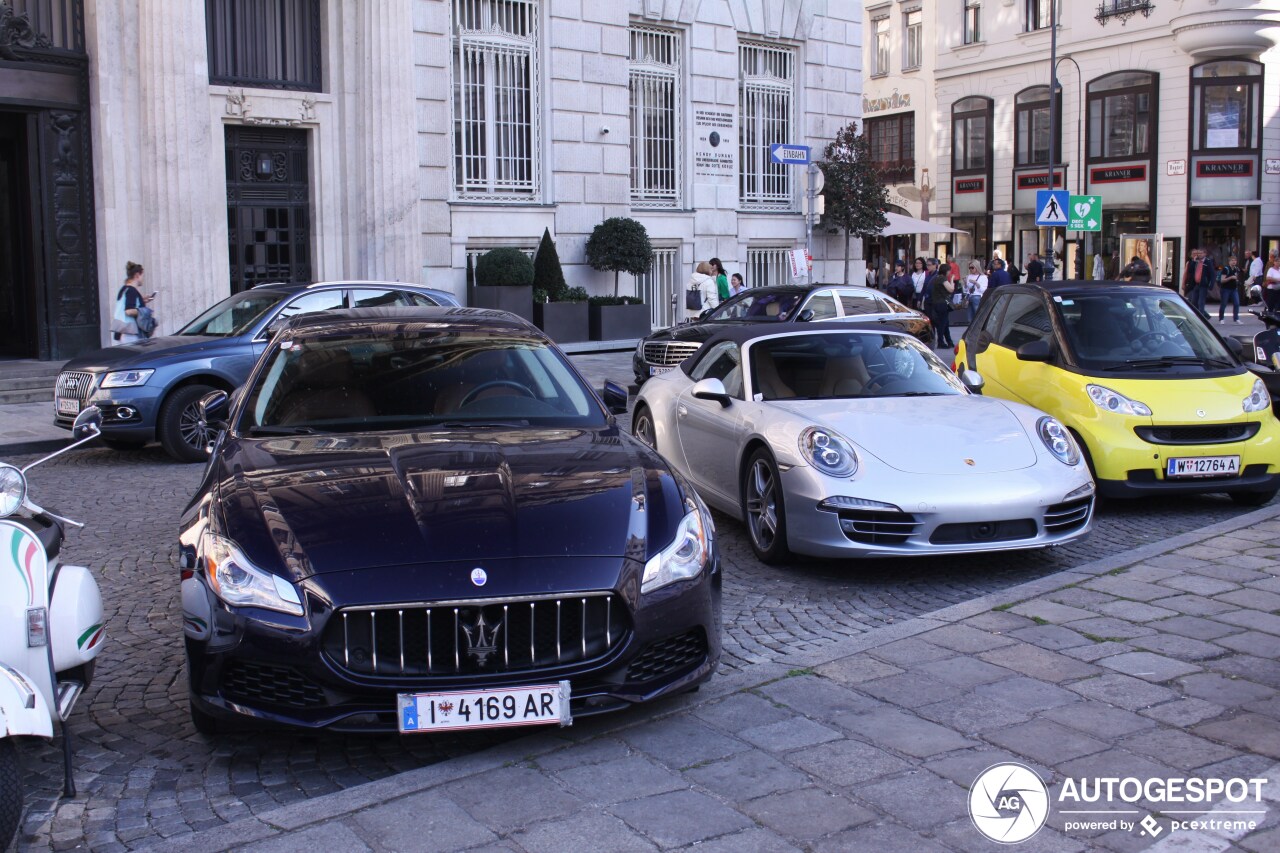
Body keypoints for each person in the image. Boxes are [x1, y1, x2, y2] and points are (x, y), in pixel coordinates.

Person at [111, 260, 155, 344]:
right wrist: (144, 311)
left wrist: (142, 300)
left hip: (122, 331)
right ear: (137, 275)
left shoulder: (124, 289)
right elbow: (128, 311)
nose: (143, 279)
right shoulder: (132, 291)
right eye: (142, 276)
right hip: (130, 333)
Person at [927, 258, 955, 349]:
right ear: (946, 271)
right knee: (942, 324)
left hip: (937, 303)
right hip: (942, 304)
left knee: (945, 323)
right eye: (949, 271)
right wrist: (952, 280)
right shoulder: (942, 278)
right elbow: (951, 289)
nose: (950, 273)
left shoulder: (936, 278)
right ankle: (940, 342)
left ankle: (949, 341)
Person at [1181, 247, 1214, 314]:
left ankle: (1201, 317)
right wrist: (1193, 261)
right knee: (1193, 301)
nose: (1199, 255)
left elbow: (1212, 274)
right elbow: (1190, 271)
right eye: (1198, 253)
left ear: (1205, 254)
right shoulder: (1196, 261)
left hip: (1203, 284)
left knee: (1201, 302)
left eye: (1201, 253)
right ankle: (1197, 315)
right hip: (1196, 284)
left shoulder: (1208, 262)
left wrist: (1211, 284)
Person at [1218, 255, 1242, 324]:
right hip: (1225, 289)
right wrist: (1230, 278)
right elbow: (1222, 280)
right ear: (1229, 262)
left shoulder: (1236, 269)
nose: (1234, 262)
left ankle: (1236, 318)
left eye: (1235, 260)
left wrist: (1237, 281)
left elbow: (1236, 277)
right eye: (1232, 260)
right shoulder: (1226, 269)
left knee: (1237, 303)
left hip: (1234, 289)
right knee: (1224, 303)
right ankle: (1221, 318)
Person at [964, 261, 988, 325]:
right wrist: (965, 283)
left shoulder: (983, 277)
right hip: (969, 296)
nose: (971, 269)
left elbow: (983, 290)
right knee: (969, 318)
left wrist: (976, 283)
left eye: (972, 267)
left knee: (977, 315)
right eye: (969, 268)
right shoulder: (969, 276)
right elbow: (966, 289)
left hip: (977, 296)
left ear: (977, 267)